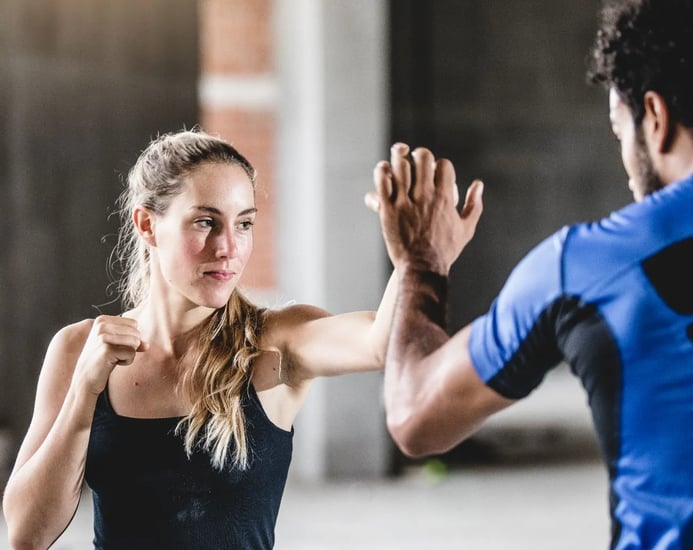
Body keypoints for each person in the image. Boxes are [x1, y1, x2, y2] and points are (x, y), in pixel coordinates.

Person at [365, 0, 693, 548]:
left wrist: (422, 264)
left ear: (655, 118)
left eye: (619, 130)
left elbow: (415, 415)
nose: (628, 168)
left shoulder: (586, 265)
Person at [1, 129, 405, 549]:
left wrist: (413, 261)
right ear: (147, 225)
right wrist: (83, 393)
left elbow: (381, 343)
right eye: (206, 222)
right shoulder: (79, 349)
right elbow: (27, 534)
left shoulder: (276, 342)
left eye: (244, 224)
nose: (229, 247)